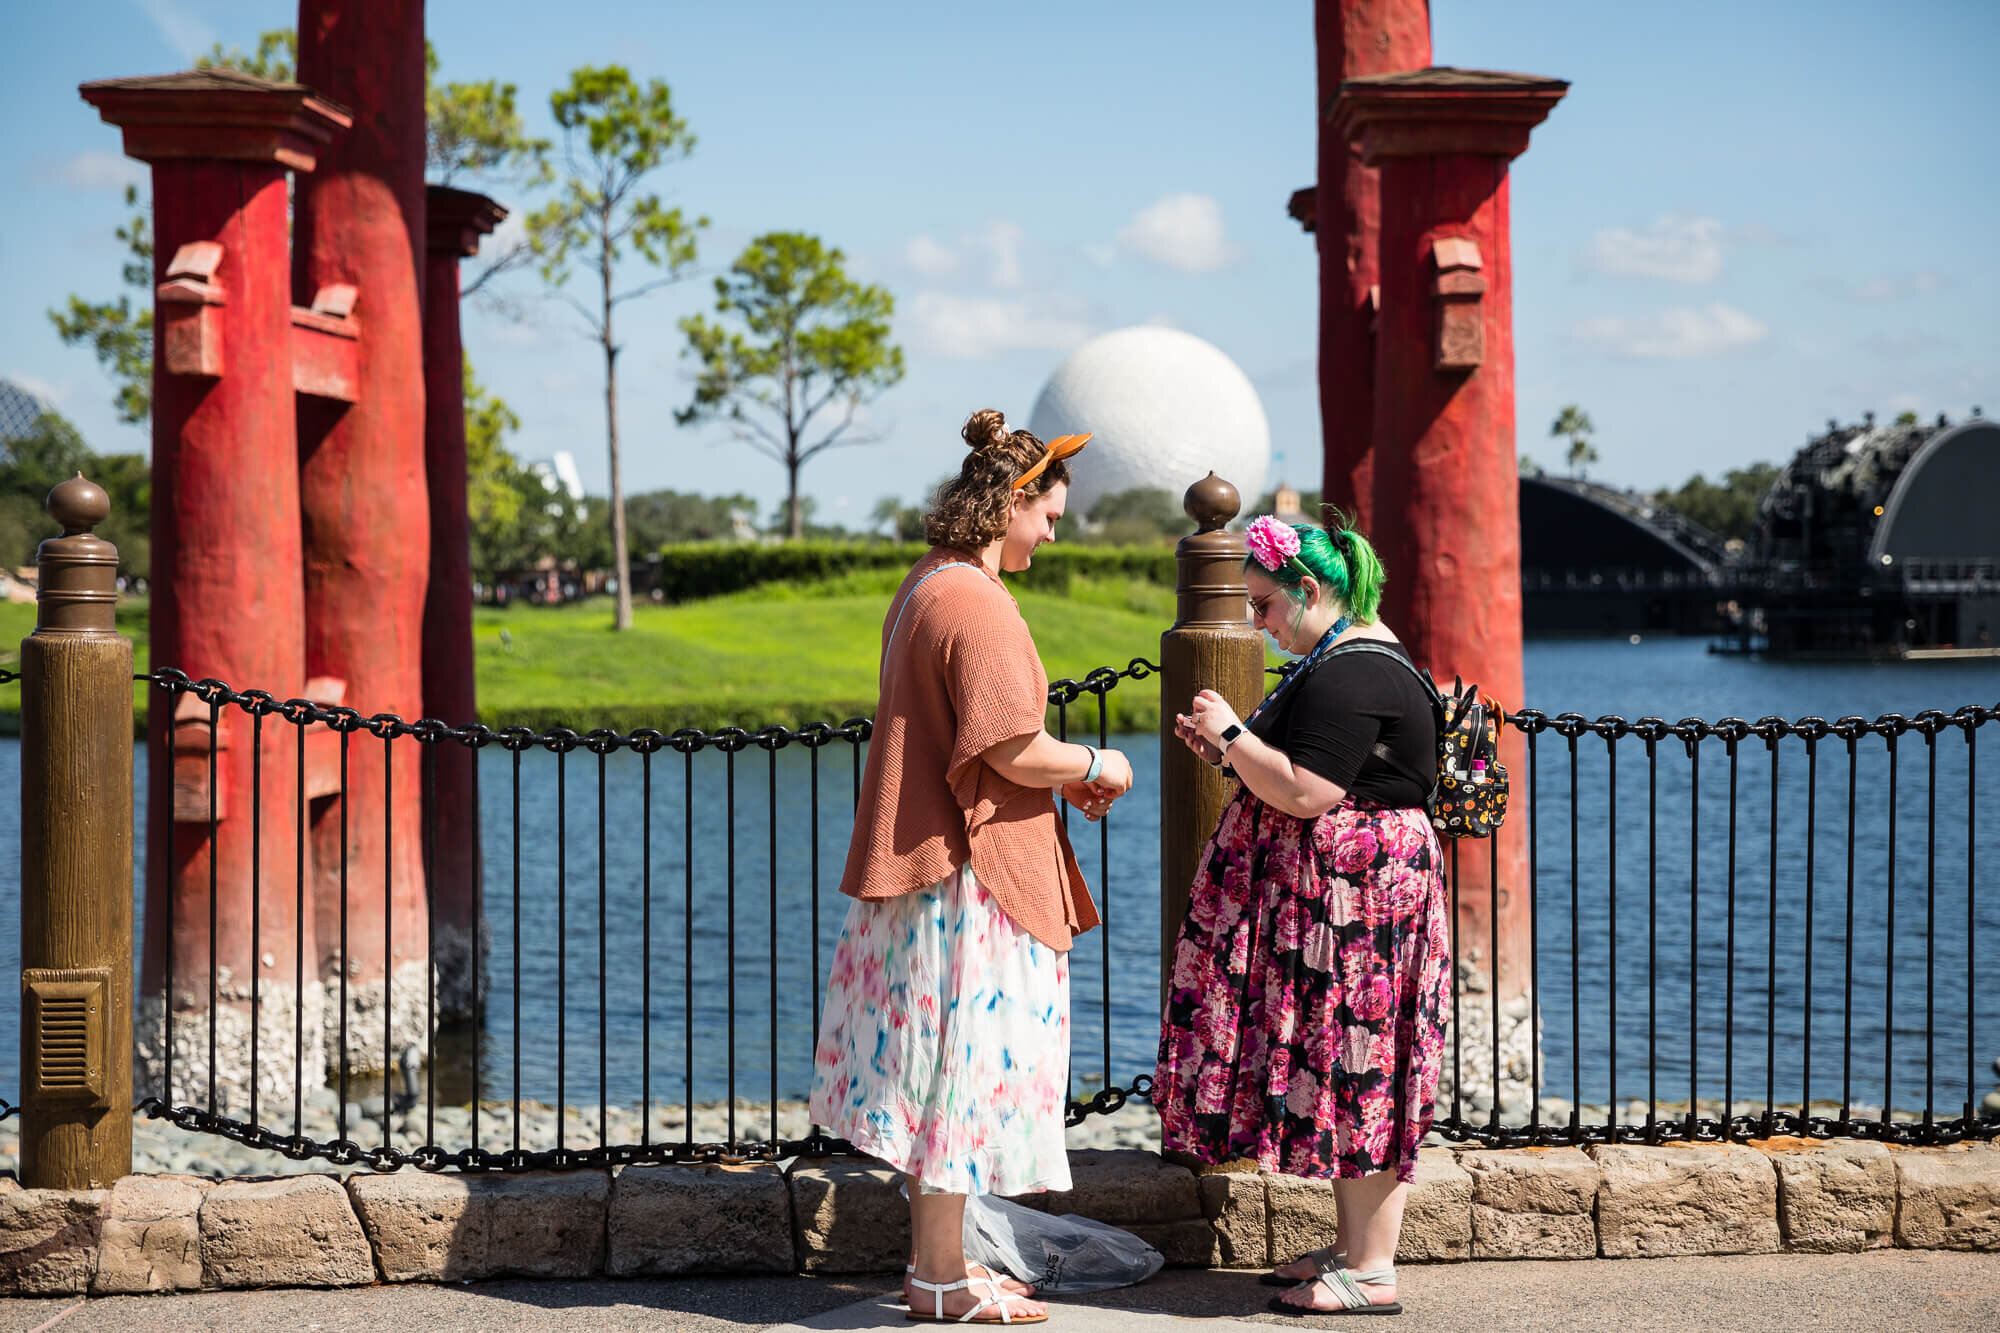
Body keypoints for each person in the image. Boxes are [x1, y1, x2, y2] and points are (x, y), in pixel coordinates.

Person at [809, 409, 1135, 1325]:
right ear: (1012, 501)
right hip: (972, 877)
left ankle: (939, 1266)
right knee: (962, 1072)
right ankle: (943, 1278)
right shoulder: (977, 600)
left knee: (936, 1075)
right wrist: (1095, 766)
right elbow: (1013, 744)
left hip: (932, 866)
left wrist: (1047, 773)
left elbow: (976, 743)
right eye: (1049, 515)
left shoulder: (925, 584)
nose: (1053, 533)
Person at [1154, 509, 1449, 1318]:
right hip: (1349, 909)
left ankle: (1375, 1266)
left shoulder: (1355, 669)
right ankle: (1356, 1249)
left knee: (1363, 1067)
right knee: (1348, 1065)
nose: (1259, 624)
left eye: (1266, 607)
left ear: (1310, 590)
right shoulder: (1345, 658)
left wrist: (1233, 733)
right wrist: (1228, 747)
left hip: (1362, 911)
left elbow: (1306, 790)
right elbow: (1299, 769)